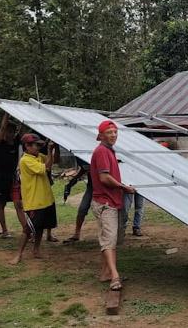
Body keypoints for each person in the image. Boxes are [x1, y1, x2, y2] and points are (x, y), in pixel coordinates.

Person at [90, 120, 136, 291]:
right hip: (105, 203)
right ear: (101, 135)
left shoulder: (109, 150)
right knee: (108, 241)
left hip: (111, 201)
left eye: (115, 132)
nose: (114, 135)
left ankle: (106, 273)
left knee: (111, 240)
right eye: (109, 132)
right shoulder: (102, 151)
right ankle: (115, 277)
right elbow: (104, 178)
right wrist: (123, 187)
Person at [10, 134, 57, 264]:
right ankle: (18, 254)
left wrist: (55, 148)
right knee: (28, 229)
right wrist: (49, 150)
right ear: (27, 146)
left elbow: (54, 161)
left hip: (46, 199)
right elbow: (45, 167)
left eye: (40, 145)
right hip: (34, 201)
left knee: (41, 227)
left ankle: (36, 250)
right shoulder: (26, 160)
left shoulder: (38, 157)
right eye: (37, 145)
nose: (39, 148)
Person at [0, 113, 20, 237]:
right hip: (1, 178)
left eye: (12, 132)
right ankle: (5, 231)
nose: (9, 134)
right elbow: (2, 127)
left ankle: (26, 229)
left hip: (13, 177)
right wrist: (6, 113)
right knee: (1, 204)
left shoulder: (15, 142)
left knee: (19, 203)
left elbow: (23, 127)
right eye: (8, 131)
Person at [64, 158, 91, 244]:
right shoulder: (80, 157)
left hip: (103, 186)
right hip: (92, 187)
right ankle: (77, 233)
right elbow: (84, 169)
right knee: (82, 209)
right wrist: (71, 183)